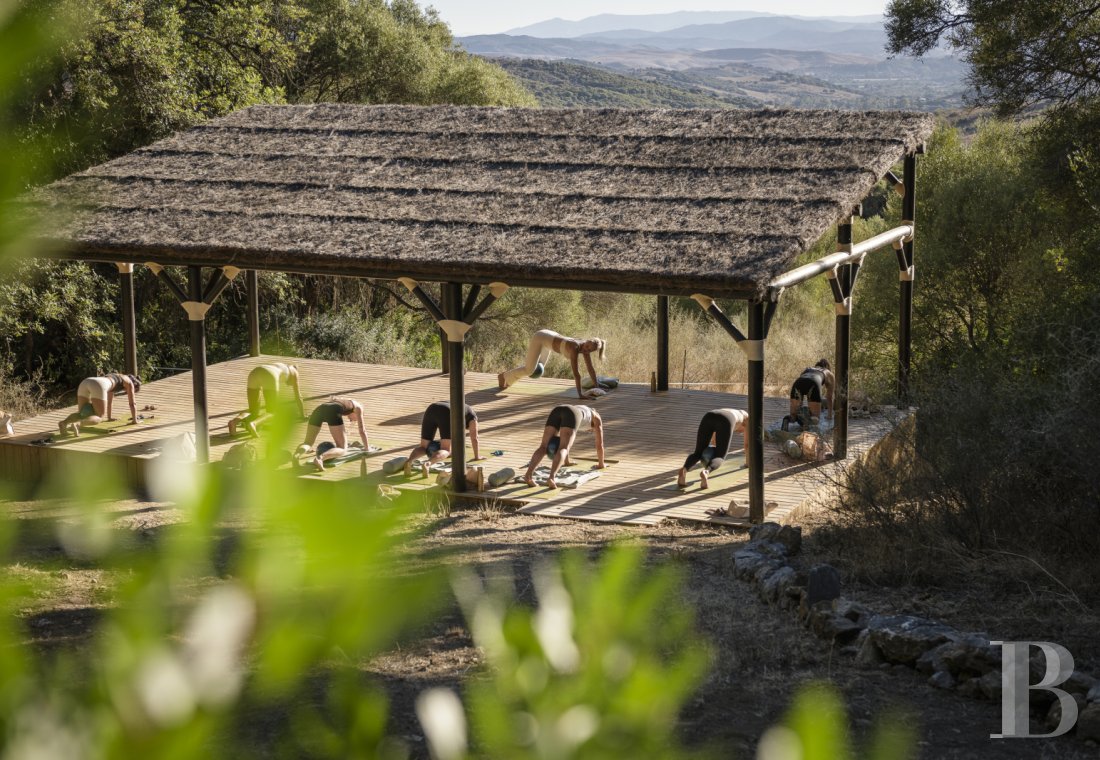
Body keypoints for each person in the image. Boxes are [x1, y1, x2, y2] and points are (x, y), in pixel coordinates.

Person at [499, 330, 608, 400]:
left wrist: (597, 387)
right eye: (587, 346)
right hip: (541, 338)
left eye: (590, 350)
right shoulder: (575, 347)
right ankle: (503, 376)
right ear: (587, 341)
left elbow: (590, 368)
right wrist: (580, 395)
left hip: (549, 341)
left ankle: (508, 379)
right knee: (530, 370)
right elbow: (576, 373)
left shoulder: (585, 349)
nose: (586, 350)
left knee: (539, 369)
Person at [523, 404, 605, 489]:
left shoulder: (584, 411)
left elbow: (566, 425)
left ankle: (528, 475)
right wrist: (601, 464)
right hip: (572, 413)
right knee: (563, 448)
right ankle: (551, 478)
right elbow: (600, 445)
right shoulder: (597, 418)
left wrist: (567, 462)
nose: (590, 431)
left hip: (558, 409)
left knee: (543, 447)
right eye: (591, 430)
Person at [404, 400, 481, 478]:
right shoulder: (473, 417)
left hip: (431, 408)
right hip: (446, 412)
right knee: (446, 449)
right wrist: (477, 456)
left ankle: (409, 461)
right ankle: (428, 463)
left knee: (423, 447)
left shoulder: (463, 409)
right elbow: (474, 438)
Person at [677, 408, 748, 490]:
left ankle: (684, 469)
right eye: (741, 432)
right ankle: (706, 472)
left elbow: (714, 440)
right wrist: (747, 464)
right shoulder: (747, 418)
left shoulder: (731, 411)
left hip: (709, 415)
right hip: (726, 419)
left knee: (698, 452)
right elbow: (747, 445)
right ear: (743, 426)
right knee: (721, 456)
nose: (740, 432)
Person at [228, 362, 304, 437]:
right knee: (272, 411)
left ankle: (234, 422)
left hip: (255, 372)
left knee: (253, 410)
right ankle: (254, 424)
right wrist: (302, 415)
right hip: (270, 374)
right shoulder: (294, 371)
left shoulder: (280, 365)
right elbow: (298, 396)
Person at [297, 397, 369, 471]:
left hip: (318, 409)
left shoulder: (342, 401)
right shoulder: (359, 408)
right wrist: (367, 448)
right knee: (342, 449)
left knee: (308, 442)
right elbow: (362, 431)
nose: (350, 420)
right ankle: (320, 458)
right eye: (355, 419)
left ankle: (296, 456)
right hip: (333, 410)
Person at [58, 373, 141, 436]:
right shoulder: (129, 382)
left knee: (82, 414)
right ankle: (78, 424)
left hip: (85, 382)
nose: (127, 392)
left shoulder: (116, 376)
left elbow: (109, 400)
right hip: (98, 385)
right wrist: (135, 421)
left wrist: (109, 417)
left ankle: (64, 423)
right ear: (135, 384)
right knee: (99, 416)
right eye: (135, 390)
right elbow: (132, 403)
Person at [788, 359, 835, 424]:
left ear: (816, 366)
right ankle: (811, 424)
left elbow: (803, 384)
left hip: (798, 383)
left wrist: (798, 408)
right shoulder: (829, 373)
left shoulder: (808, 368)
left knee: (793, 415)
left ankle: (787, 419)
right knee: (815, 418)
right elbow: (829, 397)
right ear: (827, 367)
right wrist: (830, 416)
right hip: (814, 383)